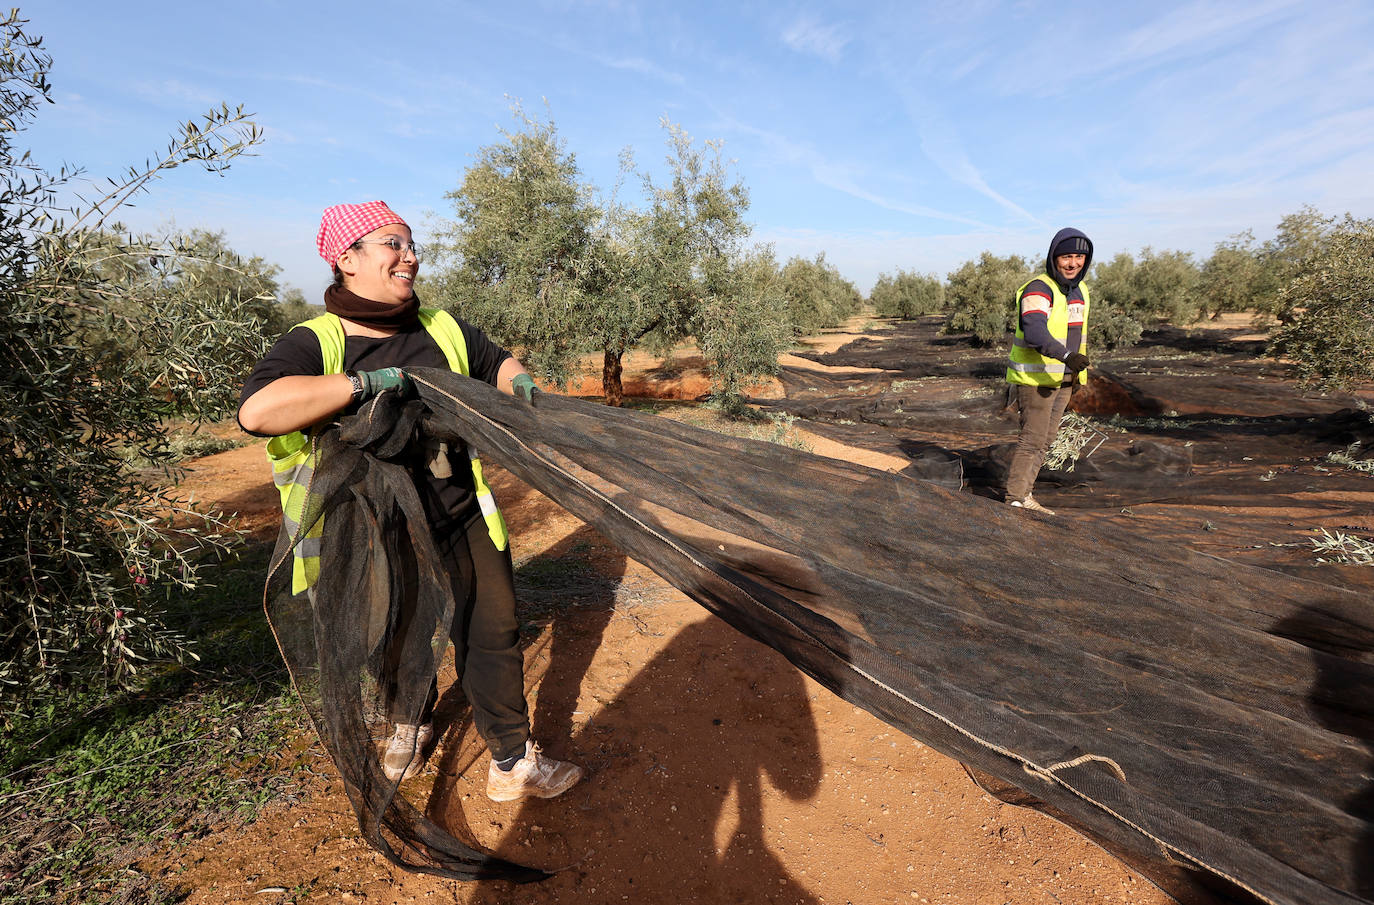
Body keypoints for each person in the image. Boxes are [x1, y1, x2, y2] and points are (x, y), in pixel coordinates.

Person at [238, 201, 584, 800]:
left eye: (411, 244)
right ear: (347, 259)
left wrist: (517, 381)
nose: (411, 256)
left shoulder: (443, 328)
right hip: (370, 530)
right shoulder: (315, 342)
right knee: (392, 631)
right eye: (392, 245)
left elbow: (496, 361)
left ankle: (510, 758)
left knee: (490, 629)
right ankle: (408, 721)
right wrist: (359, 385)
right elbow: (258, 410)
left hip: (457, 511)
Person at [1003, 227, 1093, 516]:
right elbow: (1034, 331)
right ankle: (1015, 499)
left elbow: (1076, 334)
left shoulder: (1080, 291)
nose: (1073, 263)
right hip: (1036, 379)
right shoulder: (1039, 289)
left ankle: (1025, 494)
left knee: (1046, 440)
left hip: (1064, 379)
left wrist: (1076, 376)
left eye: (1080, 257)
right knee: (1032, 439)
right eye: (1066, 256)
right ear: (1054, 257)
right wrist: (1067, 357)